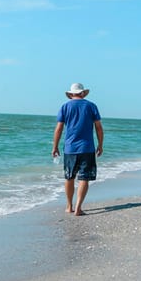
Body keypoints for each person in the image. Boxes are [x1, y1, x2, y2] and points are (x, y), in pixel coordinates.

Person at [52, 83, 103, 216]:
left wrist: (55, 146)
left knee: (69, 177)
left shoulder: (65, 106)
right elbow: (98, 127)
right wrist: (100, 144)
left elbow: (59, 128)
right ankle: (79, 208)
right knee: (84, 178)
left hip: (70, 148)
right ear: (83, 93)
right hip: (87, 147)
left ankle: (69, 206)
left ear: (71, 94)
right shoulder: (91, 106)